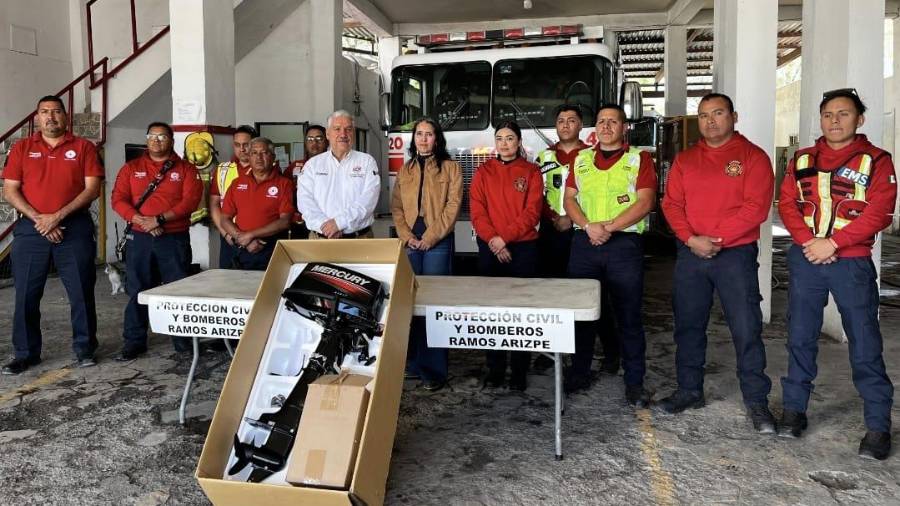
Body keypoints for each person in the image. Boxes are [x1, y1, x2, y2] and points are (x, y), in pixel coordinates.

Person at [778, 88, 897, 460]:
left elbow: (880, 212)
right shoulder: (802, 159)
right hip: (807, 259)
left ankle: (877, 427)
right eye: (828, 114)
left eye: (843, 114)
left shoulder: (877, 161)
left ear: (860, 119)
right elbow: (788, 204)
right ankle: (794, 411)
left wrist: (833, 243)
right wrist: (809, 242)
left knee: (864, 342)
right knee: (800, 336)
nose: (835, 120)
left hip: (852, 263)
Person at [659, 93, 777, 434]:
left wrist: (716, 239)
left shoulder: (753, 157)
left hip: (735, 256)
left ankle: (756, 401)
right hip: (691, 254)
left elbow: (756, 208)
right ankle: (689, 390)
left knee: (746, 327)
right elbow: (671, 205)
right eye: (704, 115)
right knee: (688, 325)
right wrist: (691, 239)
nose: (710, 121)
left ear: (734, 117)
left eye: (718, 113)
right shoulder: (685, 160)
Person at [1, 95, 103, 374]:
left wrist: (56, 217)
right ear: (37, 118)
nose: (51, 116)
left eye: (56, 111)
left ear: (65, 116)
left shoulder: (84, 147)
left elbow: (92, 189)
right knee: (26, 294)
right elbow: (10, 190)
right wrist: (41, 220)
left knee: (81, 291)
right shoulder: (22, 148)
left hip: (75, 228)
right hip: (31, 230)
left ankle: (85, 349)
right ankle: (26, 353)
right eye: (45, 112)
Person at [562, 104, 656, 407]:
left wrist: (609, 228)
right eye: (601, 121)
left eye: (613, 121)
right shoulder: (581, 159)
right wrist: (588, 226)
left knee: (628, 315)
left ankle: (634, 382)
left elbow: (645, 201)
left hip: (623, 245)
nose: (606, 126)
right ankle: (579, 372)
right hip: (585, 242)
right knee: (581, 314)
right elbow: (569, 199)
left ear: (624, 127)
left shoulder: (639, 159)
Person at [111, 122, 202, 359]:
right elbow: (118, 199)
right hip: (139, 239)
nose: (156, 140)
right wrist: (141, 220)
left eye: (162, 136)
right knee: (138, 289)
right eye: (152, 136)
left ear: (171, 140)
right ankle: (134, 341)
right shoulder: (131, 168)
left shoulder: (186, 169)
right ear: (146, 139)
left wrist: (159, 219)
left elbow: (190, 201)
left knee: (178, 289)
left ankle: (182, 341)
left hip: (173, 239)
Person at [469, 121, 543, 391]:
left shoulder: (532, 172)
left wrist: (505, 239)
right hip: (491, 249)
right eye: (499, 138)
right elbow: (477, 211)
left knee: (521, 312)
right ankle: (495, 368)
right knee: (492, 311)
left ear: (519, 142)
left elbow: (532, 212)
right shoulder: (483, 171)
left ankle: (519, 371)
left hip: (523, 249)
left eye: (510, 138)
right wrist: (494, 241)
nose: (504, 143)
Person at [390, 118, 463, 392]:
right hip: (410, 242)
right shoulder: (405, 170)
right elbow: (396, 207)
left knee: (433, 307)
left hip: (437, 243)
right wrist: (406, 236)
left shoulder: (451, 168)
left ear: (437, 138)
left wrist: (430, 238)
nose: (423, 139)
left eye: (428, 134)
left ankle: (433, 371)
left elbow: (453, 206)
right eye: (419, 134)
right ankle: (412, 364)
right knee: (409, 304)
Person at [533, 104, 591, 373]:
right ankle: (550, 349)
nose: (565, 125)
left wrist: (572, 218)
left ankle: (580, 352)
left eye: (571, 120)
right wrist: (554, 217)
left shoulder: (591, 156)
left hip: (581, 231)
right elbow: (537, 194)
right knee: (550, 291)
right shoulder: (543, 157)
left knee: (579, 291)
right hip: (550, 231)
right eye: (560, 121)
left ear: (581, 125)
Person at [297, 110, 380, 239]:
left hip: (359, 239)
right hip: (321, 238)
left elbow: (368, 201)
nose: (343, 134)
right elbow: (305, 202)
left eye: (348, 129)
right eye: (337, 129)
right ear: (327, 133)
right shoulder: (312, 165)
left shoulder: (367, 162)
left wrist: (339, 223)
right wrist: (326, 227)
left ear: (353, 133)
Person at [219, 137, 295, 270]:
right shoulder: (237, 183)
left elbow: (285, 221)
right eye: (254, 153)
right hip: (242, 247)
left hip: (270, 247)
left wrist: (251, 235)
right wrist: (242, 238)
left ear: (273, 157)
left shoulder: (284, 184)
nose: (259, 157)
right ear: (249, 157)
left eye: (264, 153)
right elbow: (224, 218)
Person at [210, 125, 257, 268]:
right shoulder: (222, 170)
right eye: (237, 145)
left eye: (246, 144)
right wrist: (226, 234)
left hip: (255, 238)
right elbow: (214, 205)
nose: (241, 149)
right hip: (229, 237)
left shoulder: (266, 169)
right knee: (227, 278)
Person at [286, 124, 328, 239]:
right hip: (299, 222)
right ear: (305, 142)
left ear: (327, 141)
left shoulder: (335, 166)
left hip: (326, 222)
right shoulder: (295, 166)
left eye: (319, 139)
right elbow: (284, 194)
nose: (314, 143)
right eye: (310, 139)